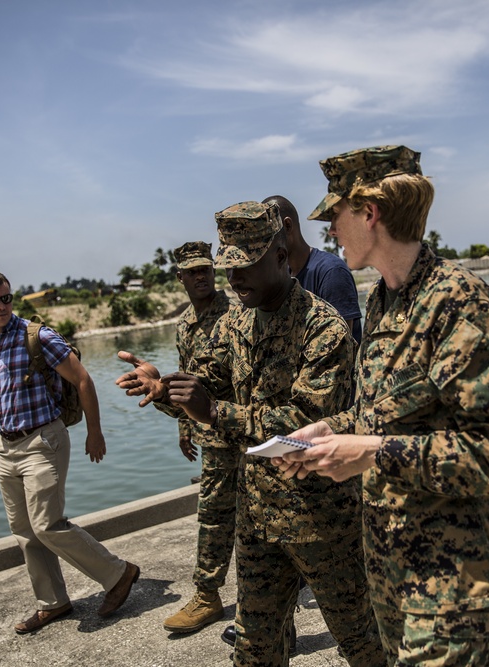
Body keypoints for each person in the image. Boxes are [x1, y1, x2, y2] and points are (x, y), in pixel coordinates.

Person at [276, 146, 489, 666]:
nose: (330, 232)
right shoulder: (386, 299)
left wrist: (372, 452)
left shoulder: (458, 304)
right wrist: (328, 429)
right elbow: (385, 413)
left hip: (456, 589)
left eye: (336, 216)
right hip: (396, 581)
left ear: (369, 214)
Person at [116, 201, 385, 667]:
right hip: (257, 519)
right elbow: (206, 383)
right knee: (254, 648)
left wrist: (214, 411)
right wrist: (165, 390)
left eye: (245, 267)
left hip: (321, 521)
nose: (233, 280)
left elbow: (303, 425)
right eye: (228, 268)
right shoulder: (236, 323)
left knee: (361, 642)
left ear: (281, 257)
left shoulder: (324, 329)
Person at [0, 270, 140, 635]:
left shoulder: (37, 337)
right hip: (5, 448)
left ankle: (119, 573)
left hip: (44, 441)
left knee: (46, 524)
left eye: (7, 297)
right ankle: (53, 601)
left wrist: (94, 431)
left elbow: (82, 379)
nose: (2, 305)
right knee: (24, 531)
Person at [157, 241, 240, 634]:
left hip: (244, 431)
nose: (200, 276)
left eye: (204, 268)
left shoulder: (237, 311)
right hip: (211, 438)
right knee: (213, 516)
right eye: (191, 271)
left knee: (248, 518)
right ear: (180, 278)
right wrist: (184, 425)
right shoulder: (185, 322)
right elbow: (187, 377)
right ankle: (208, 595)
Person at [262, 194, 362, 343]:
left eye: (267, 235)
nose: (263, 245)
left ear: (287, 226)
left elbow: (341, 347)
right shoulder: (285, 277)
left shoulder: (331, 272)